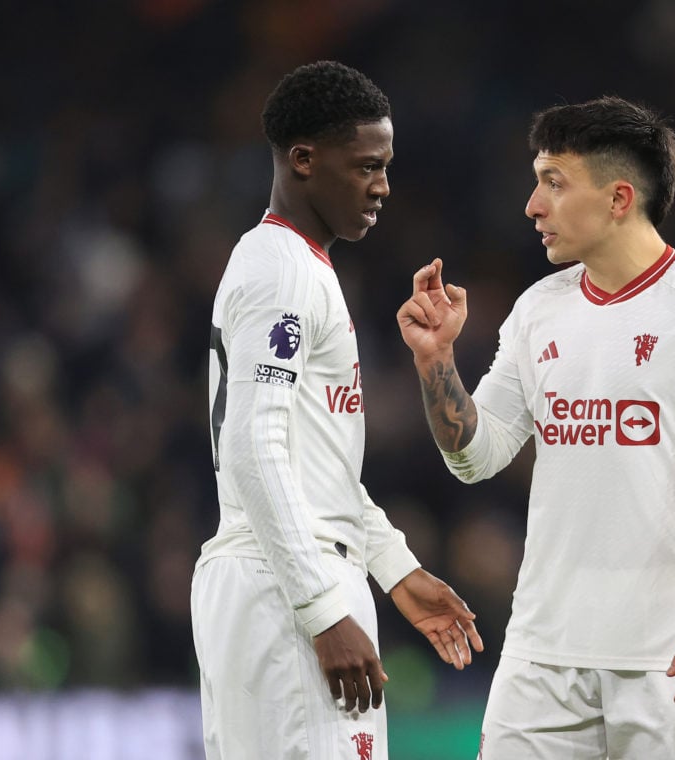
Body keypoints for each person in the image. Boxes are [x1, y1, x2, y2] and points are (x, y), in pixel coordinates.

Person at [397, 96, 675, 759]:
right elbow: (476, 454)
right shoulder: (538, 311)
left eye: (554, 182)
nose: (532, 205)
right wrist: (437, 363)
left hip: (670, 657)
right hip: (541, 659)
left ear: (618, 198)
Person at [191, 60, 483, 760]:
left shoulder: (296, 266)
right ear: (303, 159)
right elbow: (251, 446)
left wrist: (396, 569)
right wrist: (326, 612)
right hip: (284, 584)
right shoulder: (283, 270)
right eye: (366, 166)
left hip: (283, 575)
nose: (383, 186)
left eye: (386, 166)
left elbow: (310, 464)